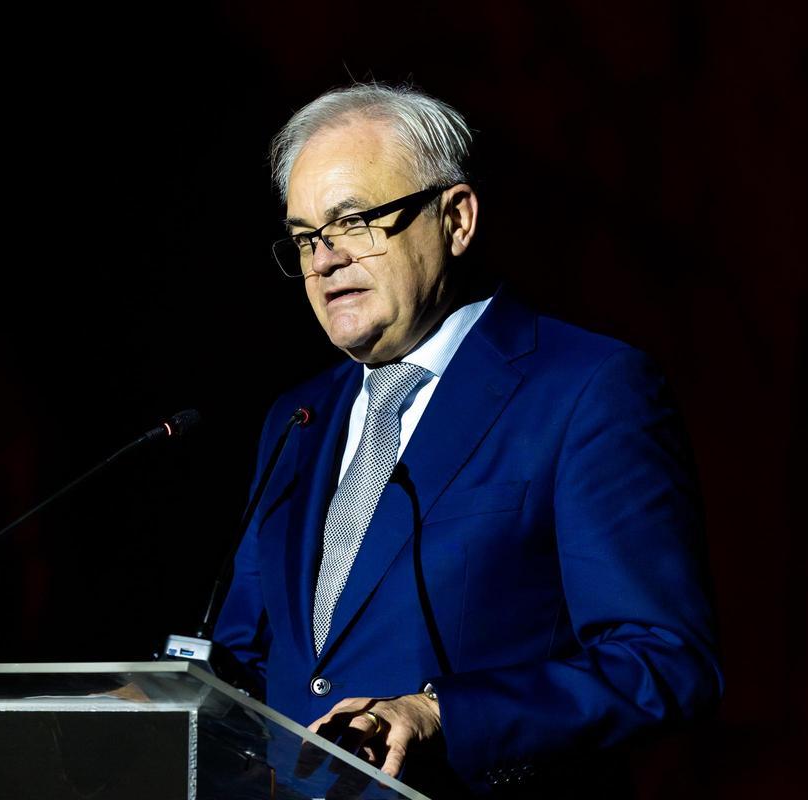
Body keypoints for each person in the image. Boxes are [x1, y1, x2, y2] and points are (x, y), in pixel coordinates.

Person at [212, 84, 722, 797]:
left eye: (353, 222)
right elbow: (245, 656)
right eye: (304, 238)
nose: (324, 260)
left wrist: (440, 713)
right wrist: (145, 702)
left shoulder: (585, 391)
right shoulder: (296, 420)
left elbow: (662, 662)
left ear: (455, 218)